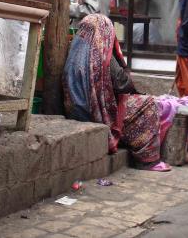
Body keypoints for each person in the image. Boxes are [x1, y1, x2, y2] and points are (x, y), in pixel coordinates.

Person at [63, 14, 171, 172]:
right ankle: (148, 160)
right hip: (94, 113)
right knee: (148, 104)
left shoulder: (75, 50)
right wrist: (127, 74)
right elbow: (122, 84)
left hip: (75, 110)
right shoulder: (100, 53)